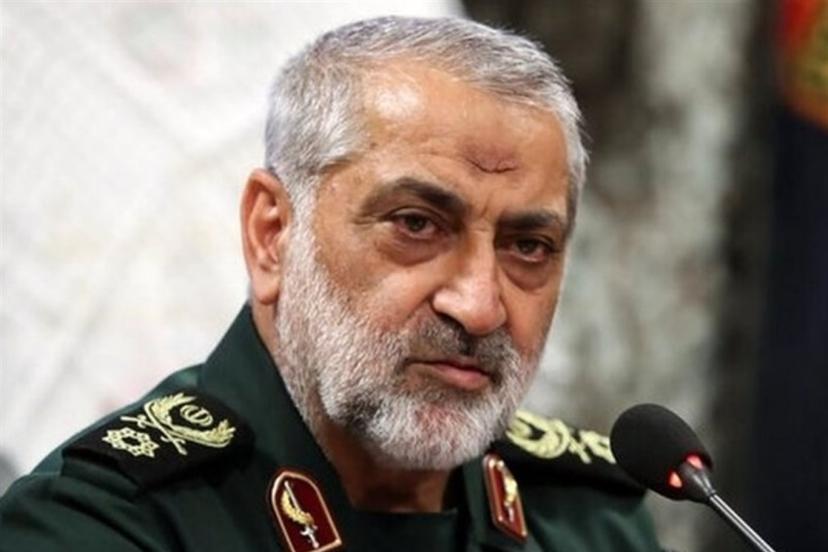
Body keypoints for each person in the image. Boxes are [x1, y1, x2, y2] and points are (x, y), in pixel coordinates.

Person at [0, 16, 664, 551]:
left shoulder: (589, 521)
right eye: (415, 224)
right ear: (272, 234)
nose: (479, 306)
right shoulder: (100, 527)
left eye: (528, 246)